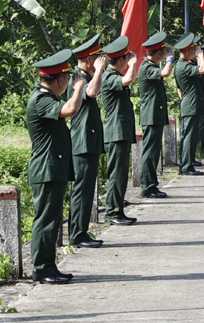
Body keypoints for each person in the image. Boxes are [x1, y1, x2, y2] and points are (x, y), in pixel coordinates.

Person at [27, 49, 84, 284]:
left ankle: (49, 265)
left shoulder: (45, 97)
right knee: (46, 220)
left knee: (52, 219)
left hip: (53, 167)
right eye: (67, 81)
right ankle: (41, 268)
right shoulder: (41, 99)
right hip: (46, 168)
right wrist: (79, 87)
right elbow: (71, 109)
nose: (68, 86)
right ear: (60, 80)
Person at [68, 34, 107, 249]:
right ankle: (77, 233)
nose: (100, 60)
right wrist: (100, 70)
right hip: (81, 141)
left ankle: (80, 231)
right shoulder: (77, 78)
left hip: (88, 140)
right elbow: (91, 92)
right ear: (89, 59)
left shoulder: (84, 76)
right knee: (81, 189)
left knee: (86, 188)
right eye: (97, 57)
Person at [99, 36, 139, 225]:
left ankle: (118, 209)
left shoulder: (115, 76)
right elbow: (129, 79)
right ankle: (112, 212)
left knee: (121, 173)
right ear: (120, 60)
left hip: (121, 131)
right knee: (116, 174)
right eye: (126, 59)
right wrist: (133, 64)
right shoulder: (109, 77)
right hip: (115, 132)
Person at [138, 32, 174, 199]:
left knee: (153, 152)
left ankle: (151, 183)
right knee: (150, 152)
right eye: (163, 53)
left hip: (155, 115)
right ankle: (147, 185)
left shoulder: (150, 66)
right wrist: (170, 59)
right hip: (151, 116)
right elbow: (166, 73)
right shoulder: (147, 68)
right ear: (159, 54)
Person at [174, 33, 204, 176]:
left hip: (189, 103)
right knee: (189, 137)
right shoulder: (183, 67)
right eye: (193, 50)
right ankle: (186, 166)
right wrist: (200, 56)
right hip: (190, 105)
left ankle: (187, 164)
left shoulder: (183, 65)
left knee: (189, 136)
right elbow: (203, 70)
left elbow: (179, 89)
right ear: (189, 51)